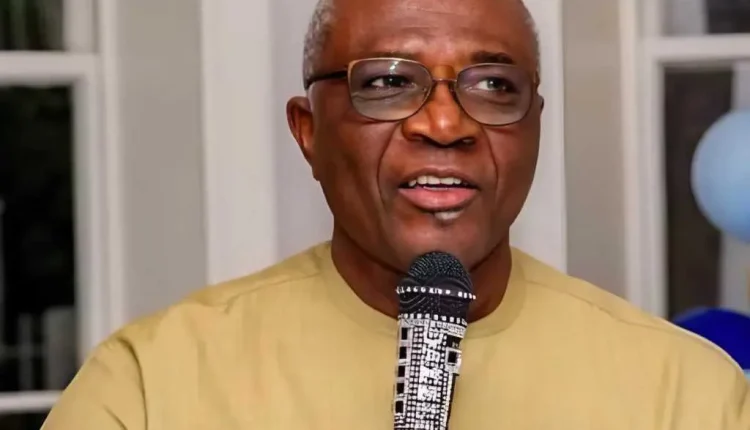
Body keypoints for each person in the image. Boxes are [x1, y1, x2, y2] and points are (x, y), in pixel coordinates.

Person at [43, 0, 750, 428]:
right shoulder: (150, 387)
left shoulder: (685, 394)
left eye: (493, 85)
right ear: (309, 132)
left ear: (535, 126)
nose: (445, 123)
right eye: (387, 82)